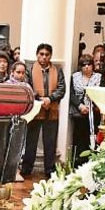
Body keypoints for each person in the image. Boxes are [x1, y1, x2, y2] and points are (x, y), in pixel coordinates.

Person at [21, 43, 65, 177]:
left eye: (47, 54)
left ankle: (49, 170)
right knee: (31, 141)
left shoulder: (57, 70)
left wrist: (50, 99)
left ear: (50, 56)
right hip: (35, 110)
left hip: (51, 110)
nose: (44, 57)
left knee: (50, 142)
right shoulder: (29, 69)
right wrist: (41, 99)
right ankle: (27, 168)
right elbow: (27, 87)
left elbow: (61, 88)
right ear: (37, 55)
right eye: (41, 54)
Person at [69, 53, 101, 165]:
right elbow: (71, 94)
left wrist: (91, 106)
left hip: (93, 113)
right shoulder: (75, 77)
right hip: (79, 113)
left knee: (91, 137)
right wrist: (80, 106)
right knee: (78, 138)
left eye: (89, 64)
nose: (86, 67)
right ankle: (77, 162)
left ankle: (91, 162)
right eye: (83, 65)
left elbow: (101, 93)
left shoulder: (98, 77)